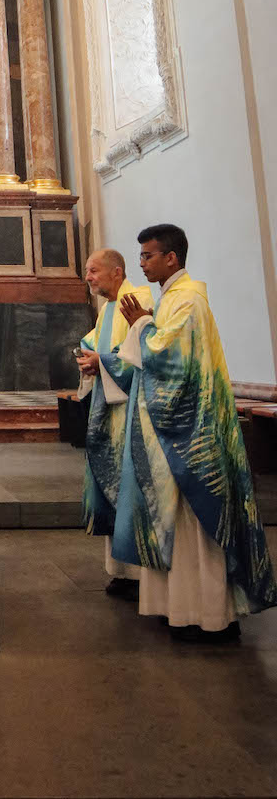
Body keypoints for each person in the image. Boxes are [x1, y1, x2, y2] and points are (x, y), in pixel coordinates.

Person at [112, 223, 277, 640]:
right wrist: (146, 324)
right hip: (176, 432)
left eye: (149, 255)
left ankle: (207, 617)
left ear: (172, 257)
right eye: (141, 256)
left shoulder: (186, 301)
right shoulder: (172, 299)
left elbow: (170, 362)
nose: (143, 263)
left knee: (193, 524)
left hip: (190, 436)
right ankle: (182, 610)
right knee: (178, 522)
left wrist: (141, 325)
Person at [75, 248, 151, 599]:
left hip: (132, 413)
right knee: (111, 488)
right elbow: (95, 343)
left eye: (93, 271)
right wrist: (87, 357)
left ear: (116, 272)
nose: (88, 277)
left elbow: (141, 352)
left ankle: (140, 574)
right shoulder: (107, 308)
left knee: (131, 489)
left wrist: (100, 361)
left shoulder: (140, 300)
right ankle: (122, 572)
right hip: (108, 410)